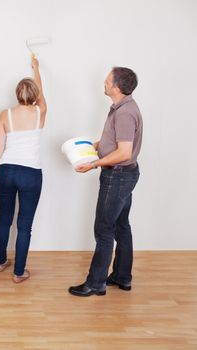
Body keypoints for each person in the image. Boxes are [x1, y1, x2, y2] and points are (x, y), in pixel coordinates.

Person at [69, 67, 142, 296]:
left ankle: (95, 283)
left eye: (108, 80)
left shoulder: (125, 113)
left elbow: (124, 152)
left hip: (118, 176)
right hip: (125, 175)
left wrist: (93, 164)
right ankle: (122, 276)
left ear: (117, 88)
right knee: (121, 226)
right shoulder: (123, 107)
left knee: (104, 229)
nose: (104, 82)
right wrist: (96, 145)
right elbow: (117, 141)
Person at [0, 57, 47, 283]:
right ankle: (18, 273)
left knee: (5, 218)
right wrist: (36, 69)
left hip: (6, 169)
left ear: (16, 94)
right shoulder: (40, 111)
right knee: (24, 225)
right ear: (34, 96)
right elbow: (41, 95)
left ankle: (1, 261)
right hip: (30, 173)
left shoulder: (5, 114)